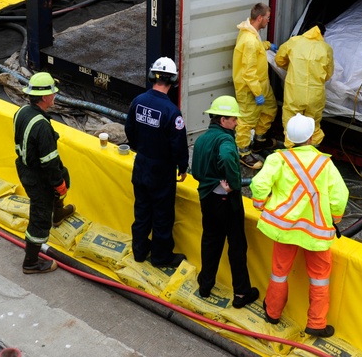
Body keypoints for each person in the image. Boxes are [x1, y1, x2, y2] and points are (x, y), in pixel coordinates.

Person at [250, 114, 348, 338]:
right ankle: (316, 323)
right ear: (312, 136)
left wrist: (259, 204)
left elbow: (259, 184)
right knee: (320, 278)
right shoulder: (325, 163)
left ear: (289, 136)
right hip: (316, 233)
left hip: (284, 230)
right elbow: (340, 196)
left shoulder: (278, 159)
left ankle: (272, 313)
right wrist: (335, 217)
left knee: (279, 273)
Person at [190, 95, 259, 308]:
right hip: (227, 201)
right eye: (233, 119)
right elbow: (229, 157)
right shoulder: (226, 140)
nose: (236, 123)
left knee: (210, 240)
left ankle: (205, 284)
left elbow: (196, 172)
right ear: (222, 120)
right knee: (236, 245)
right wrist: (234, 184)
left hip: (207, 199)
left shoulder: (201, 139)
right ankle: (241, 294)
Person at [125, 57, 189, 268]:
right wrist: (182, 166)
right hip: (162, 172)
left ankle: (139, 251)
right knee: (162, 216)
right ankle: (161, 258)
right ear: (173, 81)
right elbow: (178, 144)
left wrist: (141, 149)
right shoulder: (172, 112)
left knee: (141, 211)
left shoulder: (137, 101)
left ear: (152, 76)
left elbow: (130, 131)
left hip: (141, 166)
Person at [13, 71, 76, 274]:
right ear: (45, 97)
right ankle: (31, 262)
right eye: (53, 93)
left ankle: (57, 212)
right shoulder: (41, 127)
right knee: (40, 217)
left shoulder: (22, 112)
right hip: (37, 175)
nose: (55, 96)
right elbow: (48, 164)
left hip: (26, 167)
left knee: (63, 174)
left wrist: (60, 177)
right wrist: (58, 183)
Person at [232, 2, 279, 169]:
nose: (268, 20)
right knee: (246, 121)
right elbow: (248, 71)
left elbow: (257, 48)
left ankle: (259, 141)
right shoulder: (249, 41)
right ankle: (243, 153)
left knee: (270, 110)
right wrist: (257, 93)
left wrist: (267, 45)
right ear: (260, 18)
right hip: (251, 89)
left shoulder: (251, 32)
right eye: (267, 18)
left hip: (260, 84)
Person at [274, 23, 334, 148]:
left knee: (291, 125)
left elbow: (279, 60)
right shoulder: (326, 48)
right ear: (322, 34)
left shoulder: (294, 42)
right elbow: (328, 74)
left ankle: (292, 157)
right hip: (315, 95)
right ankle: (311, 155)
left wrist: (291, 67)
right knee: (313, 127)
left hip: (294, 93)